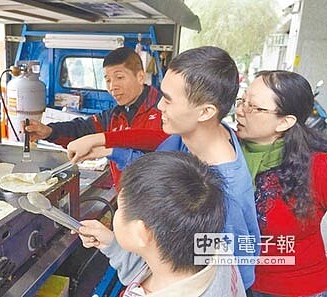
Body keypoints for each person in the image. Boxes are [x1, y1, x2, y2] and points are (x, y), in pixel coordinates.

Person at [67, 46, 260, 290]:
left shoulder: (223, 196)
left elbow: (235, 275)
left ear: (205, 111)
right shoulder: (189, 138)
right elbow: (161, 175)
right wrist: (110, 150)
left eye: (168, 99)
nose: (159, 106)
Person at [78, 151, 245, 296]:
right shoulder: (215, 247)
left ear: (141, 233)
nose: (117, 213)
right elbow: (152, 269)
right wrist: (112, 244)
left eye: (120, 208)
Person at [235, 70, 327, 297]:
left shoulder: (318, 167)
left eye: (252, 107)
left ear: (285, 121)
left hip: (297, 288)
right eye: (241, 101)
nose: (239, 111)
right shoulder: (227, 150)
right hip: (236, 283)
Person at [25, 47, 168, 187]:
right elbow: (82, 129)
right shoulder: (114, 115)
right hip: (127, 200)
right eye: (107, 80)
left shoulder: (164, 110)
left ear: (140, 77)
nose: (113, 87)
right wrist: (49, 132)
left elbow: (161, 151)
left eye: (119, 77)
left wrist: (105, 144)